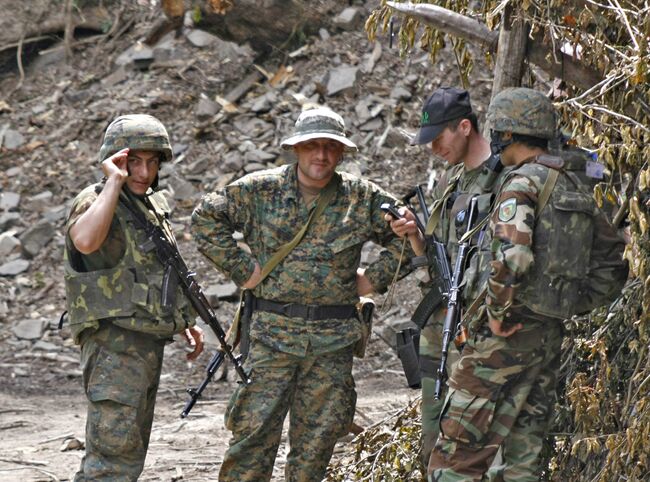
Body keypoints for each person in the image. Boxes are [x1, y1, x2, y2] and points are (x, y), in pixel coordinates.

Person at [191, 107, 411, 481]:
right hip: (271, 339)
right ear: (296, 148)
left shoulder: (362, 197)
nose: (321, 155)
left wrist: (371, 279)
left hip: (332, 344)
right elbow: (205, 219)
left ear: (341, 153)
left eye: (329, 147)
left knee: (317, 444)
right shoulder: (260, 190)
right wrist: (244, 271)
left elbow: (407, 237)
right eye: (312, 146)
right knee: (252, 438)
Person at [428, 87, 627, 481]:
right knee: (524, 456)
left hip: (503, 337)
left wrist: (499, 315)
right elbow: (615, 261)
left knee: (455, 457)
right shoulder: (576, 184)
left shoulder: (521, 183)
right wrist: (569, 302)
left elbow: (513, 255)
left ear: (505, 133)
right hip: (546, 334)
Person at [63, 114, 205, 480]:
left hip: (143, 342)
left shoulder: (147, 205)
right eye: (133, 161)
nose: (143, 171)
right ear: (115, 160)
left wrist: (184, 320)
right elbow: (86, 241)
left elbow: (161, 269)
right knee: (111, 457)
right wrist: (114, 181)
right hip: (114, 344)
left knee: (128, 453)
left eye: (151, 162)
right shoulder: (98, 199)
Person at [387, 86, 494, 466]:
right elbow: (435, 268)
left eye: (438, 138)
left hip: (478, 338)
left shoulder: (504, 183)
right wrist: (416, 235)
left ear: (464, 126)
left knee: (470, 448)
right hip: (441, 334)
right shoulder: (454, 182)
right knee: (432, 445)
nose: (433, 149)